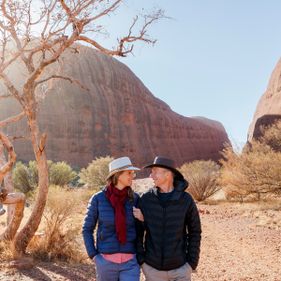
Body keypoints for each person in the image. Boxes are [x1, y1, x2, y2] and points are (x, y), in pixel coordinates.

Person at [135, 156, 201, 281]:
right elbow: (138, 232)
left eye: (155, 171)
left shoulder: (185, 200)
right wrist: (142, 261)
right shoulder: (146, 199)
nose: (151, 175)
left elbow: (195, 232)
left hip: (180, 269)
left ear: (168, 174)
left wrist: (191, 263)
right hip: (152, 269)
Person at [82, 156, 141, 281]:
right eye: (129, 173)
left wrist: (143, 218)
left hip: (130, 263)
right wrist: (94, 256)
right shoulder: (98, 199)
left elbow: (141, 230)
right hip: (105, 262)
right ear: (118, 175)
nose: (133, 176)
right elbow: (87, 229)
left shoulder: (135, 199)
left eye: (133, 173)